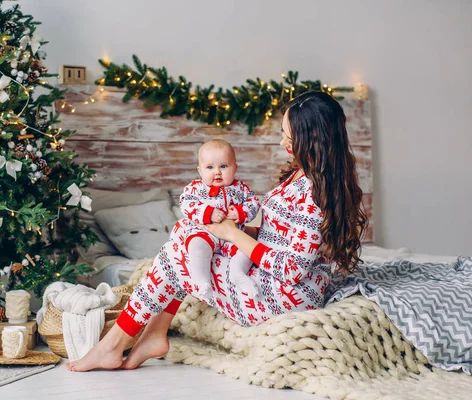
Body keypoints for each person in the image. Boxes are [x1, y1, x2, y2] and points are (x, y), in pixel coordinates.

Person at [67, 91, 368, 372]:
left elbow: (291, 268)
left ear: (311, 139)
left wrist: (232, 234)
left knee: (176, 254)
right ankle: (152, 336)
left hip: (283, 296)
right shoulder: (301, 173)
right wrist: (236, 227)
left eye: (287, 137)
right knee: (188, 240)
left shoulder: (314, 191)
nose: (281, 144)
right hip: (268, 275)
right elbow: (279, 232)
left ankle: (116, 344)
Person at [180, 139, 260, 298]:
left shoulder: (241, 188)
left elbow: (254, 202)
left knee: (247, 250)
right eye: (210, 167)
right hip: (205, 234)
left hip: (233, 238)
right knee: (196, 247)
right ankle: (202, 281)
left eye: (223, 166)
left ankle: (237, 274)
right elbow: (185, 203)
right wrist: (207, 212)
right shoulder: (195, 188)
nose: (217, 172)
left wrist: (240, 212)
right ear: (200, 171)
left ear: (235, 168)